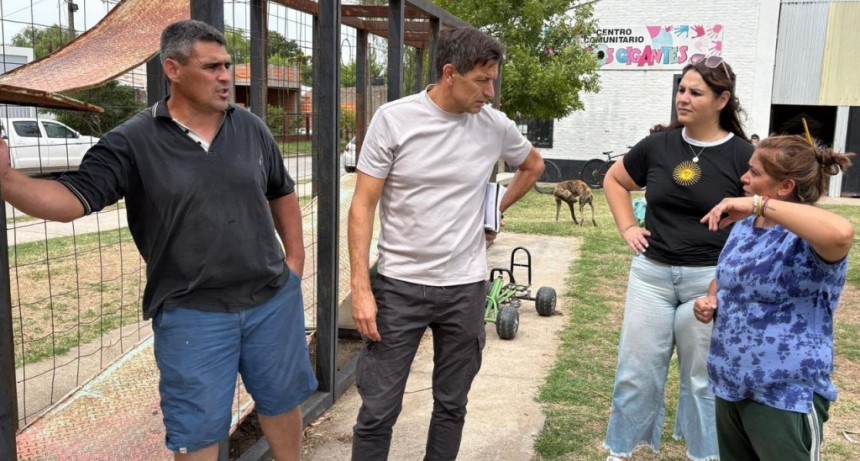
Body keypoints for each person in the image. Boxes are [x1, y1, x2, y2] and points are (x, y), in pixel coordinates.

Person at [0, 20, 317, 461]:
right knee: (198, 429)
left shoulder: (250, 127)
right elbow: (71, 199)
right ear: (173, 69)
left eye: (227, 65)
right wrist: (8, 180)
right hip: (192, 313)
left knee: (283, 401)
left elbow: (280, 191)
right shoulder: (132, 141)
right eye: (212, 67)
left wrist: (294, 262)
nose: (226, 76)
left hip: (270, 301)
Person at [347, 27, 544, 460]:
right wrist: (361, 288)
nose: (490, 92)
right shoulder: (396, 119)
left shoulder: (494, 125)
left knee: (452, 405)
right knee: (378, 410)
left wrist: (495, 210)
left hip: (466, 286)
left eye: (494, 80)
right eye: (482, 80)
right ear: (450, 73)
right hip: (399, 286)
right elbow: (362, 206)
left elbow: (532, 165)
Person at [602, 56, 754, 461]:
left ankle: (705, 455)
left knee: (702, 379)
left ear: (722, 100)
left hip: (708, 282)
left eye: (695, 92)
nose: (683, 98)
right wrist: (628, 228)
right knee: (636, 373)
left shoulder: (742, 154)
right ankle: (621, 451)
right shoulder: (658, 146)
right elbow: (615, 180)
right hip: (651, 276)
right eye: (681, 90)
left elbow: (763, 210)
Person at [695, 135, 855, 460]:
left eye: (754, 173)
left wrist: (758, 203)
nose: (744, 178)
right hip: (732, 382)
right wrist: (711, 301)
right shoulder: (745, 226)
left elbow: (841, 234)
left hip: (784, 393)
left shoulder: (805, 237)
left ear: (784, 187)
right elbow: (729, 278)